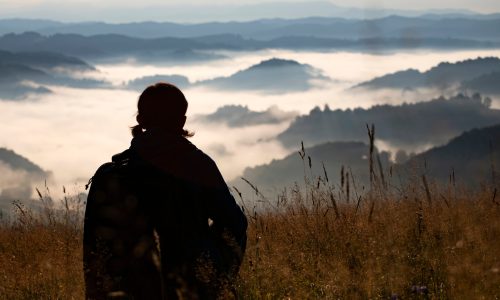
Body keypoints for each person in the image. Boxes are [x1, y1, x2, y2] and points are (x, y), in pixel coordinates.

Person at [84, 82, 247, 299]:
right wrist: (215, 278)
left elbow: (95, 251)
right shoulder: (199, 166)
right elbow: (235, 225)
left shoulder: (110, 175)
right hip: (189, 288)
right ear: (182, 121)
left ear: (140, 120)